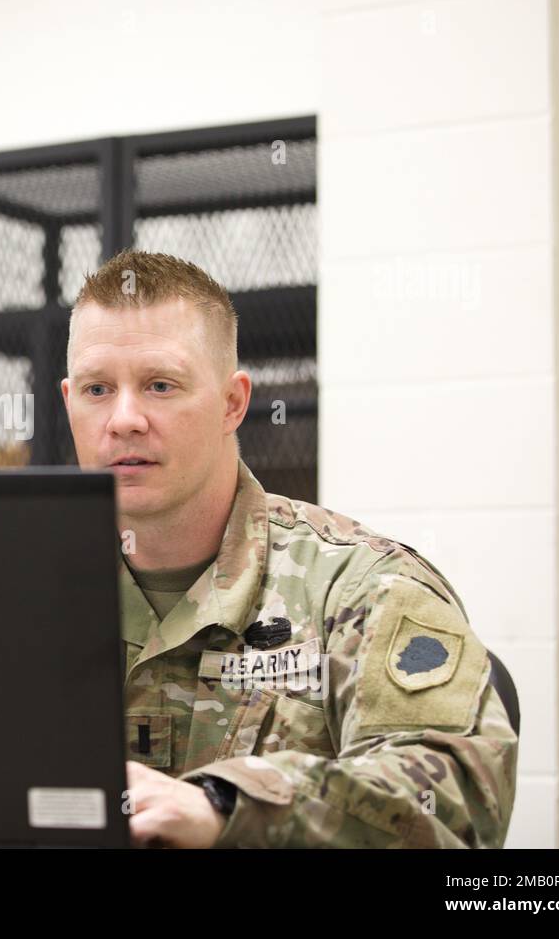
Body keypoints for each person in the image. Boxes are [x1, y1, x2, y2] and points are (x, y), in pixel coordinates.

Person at [60, 250, 517, 848]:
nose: (124, 419)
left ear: (232, 403)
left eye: (160, 385)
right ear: (68, 400)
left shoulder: (362, 586)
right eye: (98, 389)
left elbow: (457, 793)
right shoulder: (17, 592)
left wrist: (230, 807)